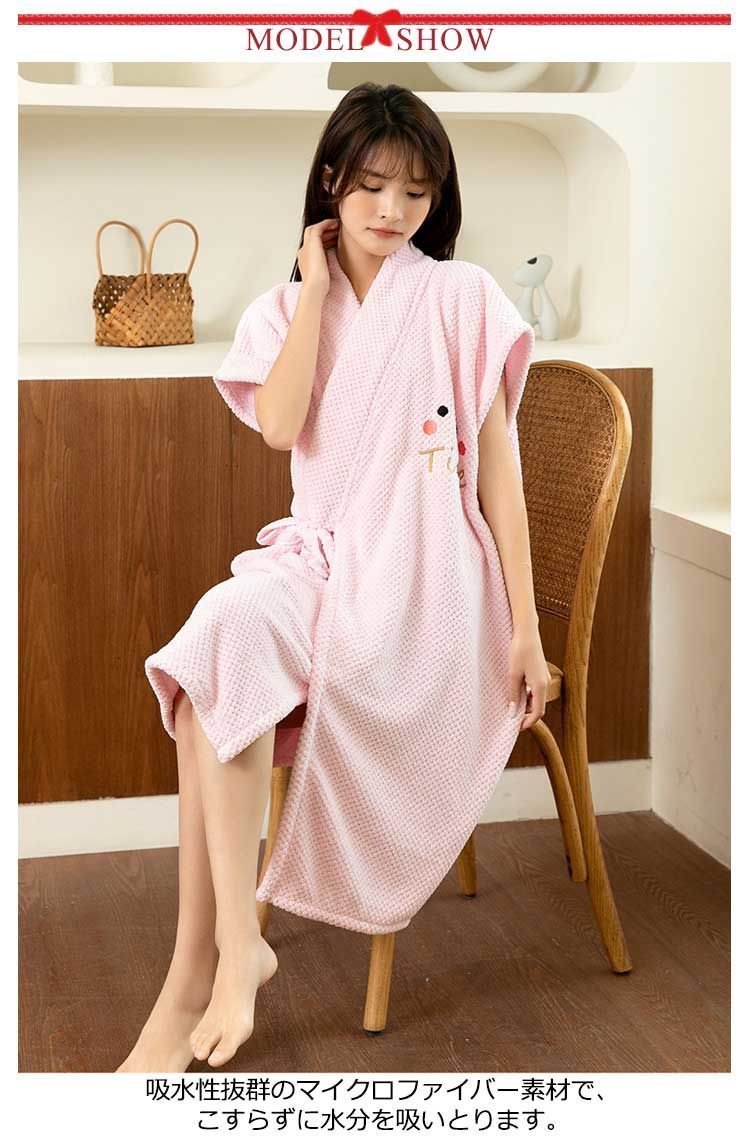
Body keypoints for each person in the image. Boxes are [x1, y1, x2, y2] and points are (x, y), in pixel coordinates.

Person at [117, 83, 550, 1073]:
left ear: (437, 196)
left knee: (210, 693)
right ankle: (231, 952)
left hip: (427, 580)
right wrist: (313, 288)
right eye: (371, 186)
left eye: (416, 190)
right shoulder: (283, 308)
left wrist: (524, 626)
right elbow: (279, 426)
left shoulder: (461, 296)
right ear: (330, 183)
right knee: (220, 632)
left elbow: (500, 475)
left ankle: (195, 975)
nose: (394, 210)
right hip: (316, 562)